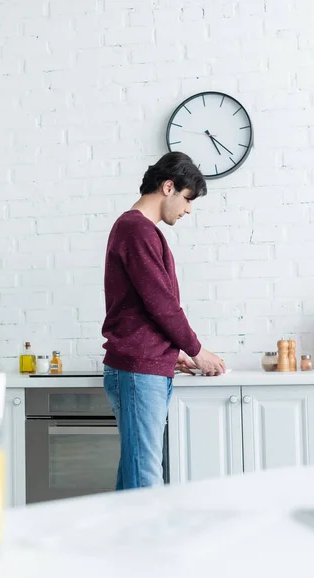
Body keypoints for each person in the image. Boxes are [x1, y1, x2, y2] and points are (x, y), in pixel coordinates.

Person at [101, 151, 226, 491]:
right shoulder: (136, 230)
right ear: (168, 187)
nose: (188, 210)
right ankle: (148, 546)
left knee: (134, 477)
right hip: (139, 372)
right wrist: (197, 350)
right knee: (145, 483)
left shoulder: (137, 230)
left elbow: (145, 306)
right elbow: (161, 304)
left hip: (144, 367)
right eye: (187, 199)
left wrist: (173, 354)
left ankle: (120, 545)